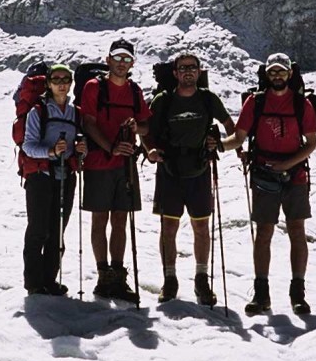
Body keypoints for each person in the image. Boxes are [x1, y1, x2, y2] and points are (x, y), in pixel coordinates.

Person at [221, 53, 316, 315]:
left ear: (289, 74)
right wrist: (218, 146)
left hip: (294, 173)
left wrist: (287, 164)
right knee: (264, 232)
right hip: (265, 174)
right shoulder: (256, 102)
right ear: (267, 74)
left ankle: (297, 293)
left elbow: (311, 143)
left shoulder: (302, 104)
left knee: (296, 231)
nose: (277, 76)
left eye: (282, 71)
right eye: (273, 71)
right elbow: (239, 137)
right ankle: (262, 294)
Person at [145, 53, 235, 305]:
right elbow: (146, 131)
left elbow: (232, 128)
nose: (187, 72)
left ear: (199, 72)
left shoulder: (208, 99)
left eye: (192, 68)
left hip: (199, 169)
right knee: (169, 228)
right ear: (174, 73)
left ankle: (201, 279)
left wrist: (223, 146)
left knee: (200, 227)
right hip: (169, 170)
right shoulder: (163, 100)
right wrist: (150, 151)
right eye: (182, 68)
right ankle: (170, 279)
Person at [80, 38, 151, 302]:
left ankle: (118, 275)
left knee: (121, 218)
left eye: (126, 59)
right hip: (100, 162)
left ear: (132, 63)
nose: (122, 63)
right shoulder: (93, 87)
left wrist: (136, 128)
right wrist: (111, 148)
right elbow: (88, 123)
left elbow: (146, 127)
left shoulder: (135, 91)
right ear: (108, 60)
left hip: (126, 165)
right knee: (100, 220)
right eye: (117, 58)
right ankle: (103, 275)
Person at [21, 64, 87, 296]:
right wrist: (50, 152)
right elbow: (28, 146)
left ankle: (49, 279)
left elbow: (80, 148)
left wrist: (80, 149)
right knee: (38, 229)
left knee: (57, 230)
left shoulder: (75, 112)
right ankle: (34, 283)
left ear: (70, 84)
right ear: (48, 83)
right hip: (41, 177)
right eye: (56, 79)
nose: (61, 83)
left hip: (65, 177)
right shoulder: (38, 111)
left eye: (66, 79)